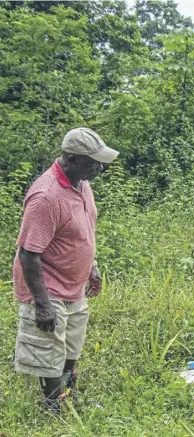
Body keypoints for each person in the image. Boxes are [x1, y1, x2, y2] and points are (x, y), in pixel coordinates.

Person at [13, 127, 119, 412]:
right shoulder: (46, 197)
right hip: (47, 286)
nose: (99, 167)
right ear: (71, 158)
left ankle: (68, 394)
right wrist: (42, 304)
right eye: (92, 161)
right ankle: (52, 406)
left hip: (74, 283)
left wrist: (92, 266)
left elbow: (83, 232)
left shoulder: (82, 183)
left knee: (72, 343)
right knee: (49, 347)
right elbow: (28, 254)